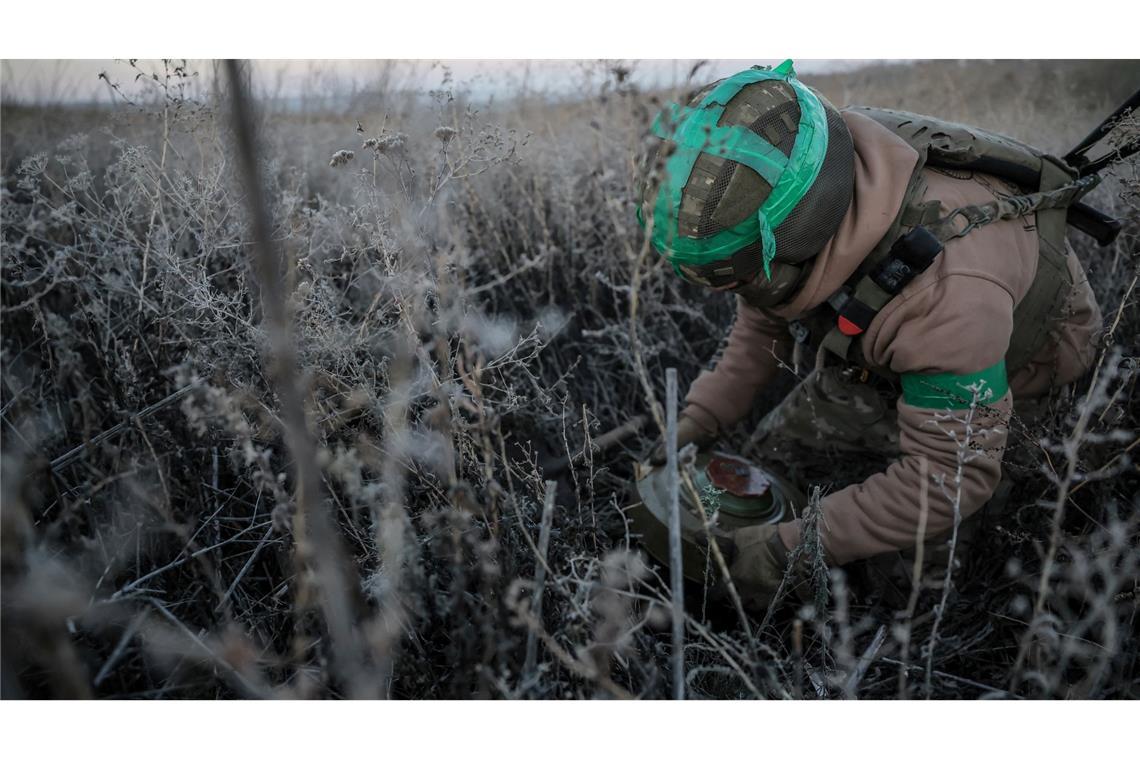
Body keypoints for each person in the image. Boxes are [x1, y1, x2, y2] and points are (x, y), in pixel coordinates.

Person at [638, 61, 1103, 609]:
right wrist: (696, 423)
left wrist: (791, 550)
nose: (733, 290)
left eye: (741, 275)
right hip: (892, 347)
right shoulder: (803, 166)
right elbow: (763, 322)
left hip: (1014, 375)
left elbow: (948, 479)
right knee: (772, 474)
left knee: (901, 595)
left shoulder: (948, 294)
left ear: (801, 234)